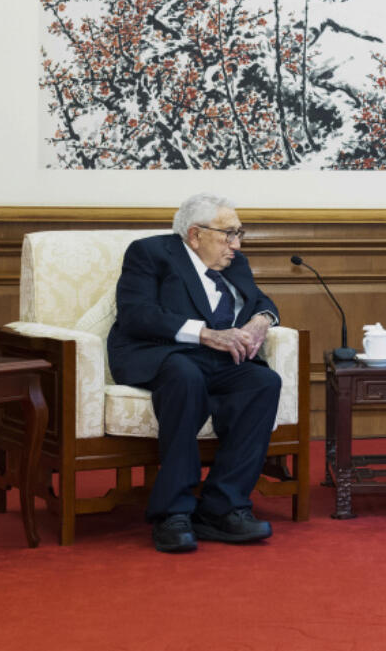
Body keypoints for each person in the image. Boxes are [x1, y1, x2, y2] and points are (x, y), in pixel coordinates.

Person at [108, 193, 282, 552]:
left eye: (239, 234)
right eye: (229, 234)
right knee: (185, 376)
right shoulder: (150, 254)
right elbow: (136, 314)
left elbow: (261, 299)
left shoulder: (235, 263)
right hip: (161, 354)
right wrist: (203, 333)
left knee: (263, 382)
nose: (236, 244)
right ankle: (173, 512)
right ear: (195, 234)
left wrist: (262, 320)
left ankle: (223, 507)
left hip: (215, 360)